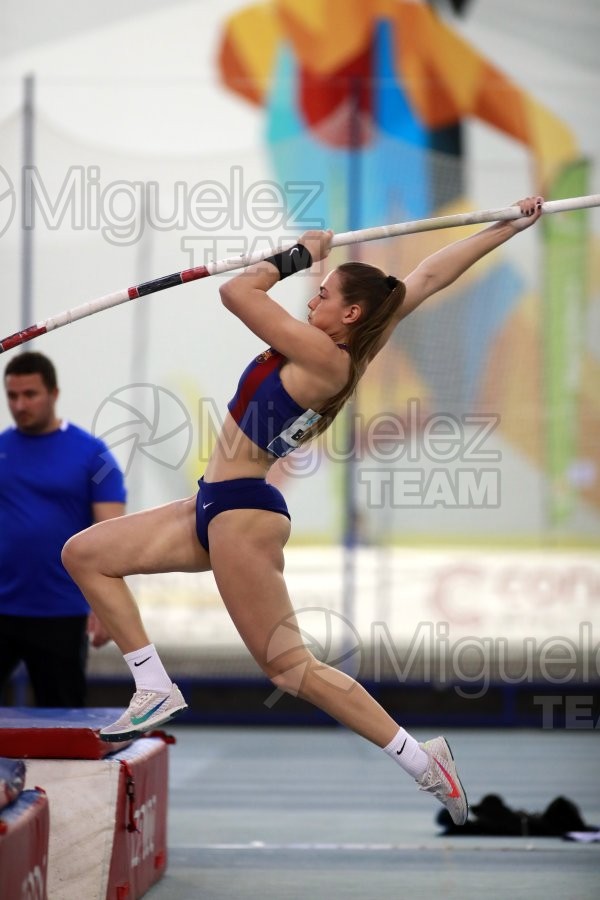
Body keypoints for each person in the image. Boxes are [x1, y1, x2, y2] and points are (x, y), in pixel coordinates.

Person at [62, 196, 544, 825]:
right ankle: (153, 684)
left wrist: (295, 257)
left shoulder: (328, 357)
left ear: (349, 314)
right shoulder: (345, 346)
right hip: (209, 503)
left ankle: (421, 759)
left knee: (291, 668)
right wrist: (507, 226)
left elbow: (238, 292)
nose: (311, 298)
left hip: (241, 512)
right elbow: (428, 276)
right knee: (86, 554)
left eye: (323, 294)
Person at [0, 351, 126, 707]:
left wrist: (105, 608)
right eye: (12, 396)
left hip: (61, 612)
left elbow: (113, 535)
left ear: (53, 393)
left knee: (61, 719)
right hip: (2, 605)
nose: (20, 404)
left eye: (30, 394)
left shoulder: (93, 456)